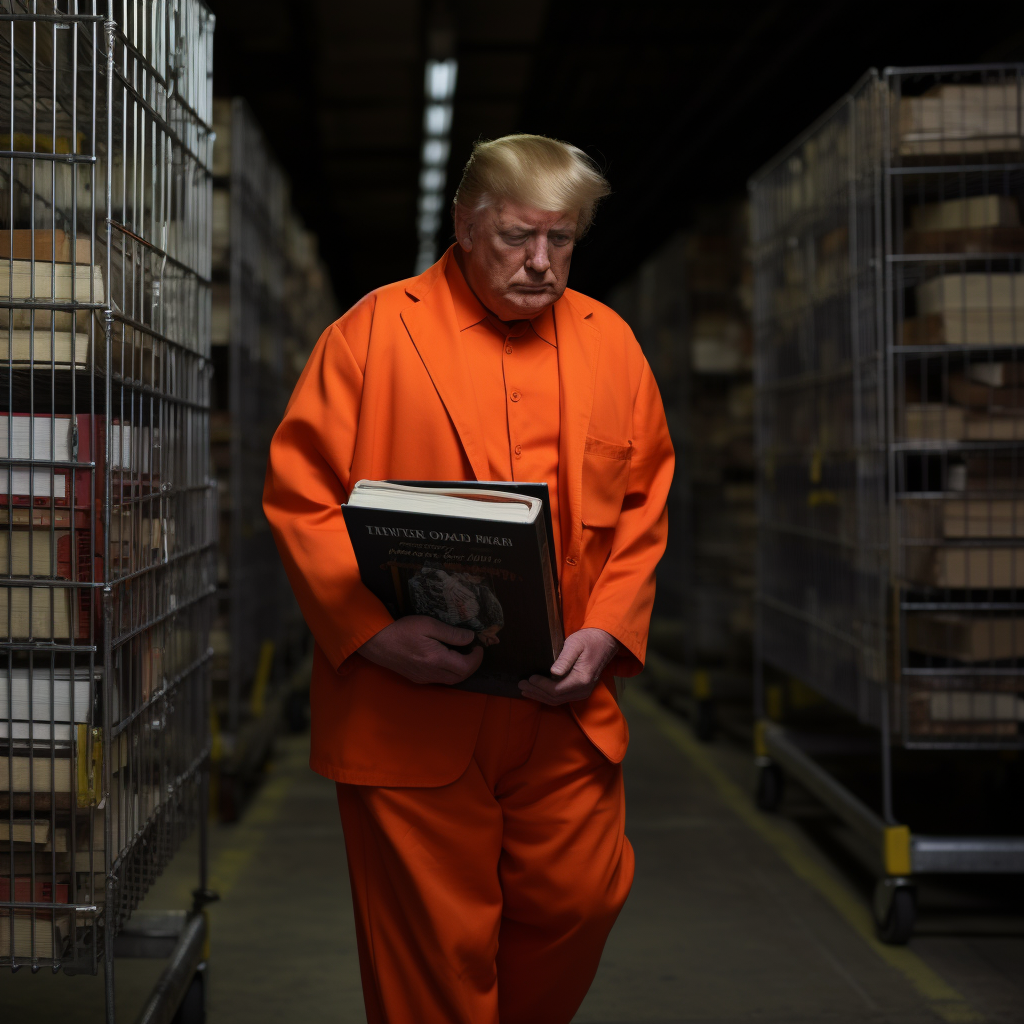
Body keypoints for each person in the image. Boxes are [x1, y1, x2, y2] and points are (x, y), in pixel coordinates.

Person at [264, 134, 674, 1024]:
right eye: (516, 237)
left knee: (583, 899)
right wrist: (374, 635)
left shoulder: (613, 347)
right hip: (410, 701)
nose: (540, 263)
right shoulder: (373, 334)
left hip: (561, 702)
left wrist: (606, 630)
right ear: (462, 224)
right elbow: (300, 498)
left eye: (561, 241)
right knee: (431, 953)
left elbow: (643, 510)